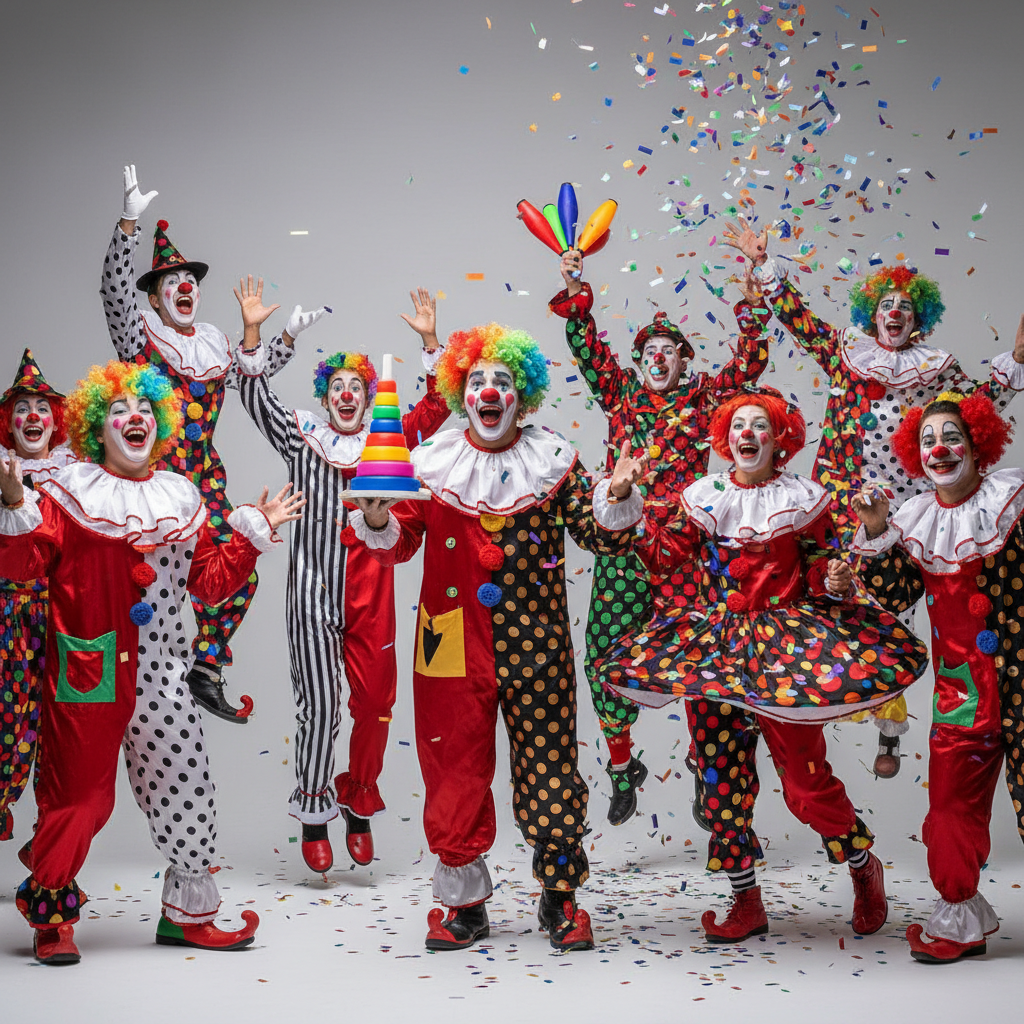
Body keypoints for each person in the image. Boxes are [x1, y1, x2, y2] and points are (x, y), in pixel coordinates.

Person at [595, 386, 929, 942]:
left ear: (779, 441)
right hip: (718, 653)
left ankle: (861, 865)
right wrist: (626, 499)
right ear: (726, 440)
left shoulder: (805, 499)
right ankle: (746, 901)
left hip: (786, 652)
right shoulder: (702, 497)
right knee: (720, 779)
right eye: (739, 426)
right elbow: (661, 555)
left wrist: (837, 579)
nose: (747, 434)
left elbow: (824, 569)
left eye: (760, 426)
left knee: (805, 783)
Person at [349, 323, 644, 952]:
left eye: (503, 381)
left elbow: (601, 537)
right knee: (453, 768)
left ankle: (560, 898)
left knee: (551, 769)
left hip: (537, 645)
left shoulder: (555, 461)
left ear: (523, 395)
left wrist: (615, 495)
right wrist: (377, 515)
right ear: (460, 392)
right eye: (476, 380)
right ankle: (464, 905)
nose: (489, 390)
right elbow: (399, 541)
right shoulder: (433, 463)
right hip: (448, 647)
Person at [0, 360, 303, 965]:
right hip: (90, 667)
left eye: (143, 409)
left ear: (159, 423)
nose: (133, 417)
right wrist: (13, 502)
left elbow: (210, 586)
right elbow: (21, 568)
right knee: (80, 799)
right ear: (96, 427)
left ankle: (188, 918)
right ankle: (52, 910)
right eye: (118, 410)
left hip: (163, 669)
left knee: (187, 790)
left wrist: (251, 536)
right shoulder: (64, 495)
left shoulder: (180, 496)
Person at [723, 217, 1024, 776]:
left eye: (906, 307)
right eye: (886, 304)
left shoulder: (937, 369)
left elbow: (976, 411)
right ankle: (796, 705)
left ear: (917, 320)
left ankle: (889, 726)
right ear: (873, 315)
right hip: (842, 501)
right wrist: (766, 265)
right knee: (823, 597)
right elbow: (801, 323)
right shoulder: (847, 352)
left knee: (894, 606)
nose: (894, 312)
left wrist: (1017, 366)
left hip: (905, 507)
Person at [549, 249, 770, 823]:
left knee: (701, 662)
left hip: (689, 556)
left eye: (667, 351)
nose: (656, 358)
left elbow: (747, 370)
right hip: (626, 546)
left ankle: (706, 768)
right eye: (647, 351)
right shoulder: (620, 393)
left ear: (683, 361)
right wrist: (575, 287)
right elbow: (585, 345)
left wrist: (752, 308)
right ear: (638, 359)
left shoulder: (703, 400)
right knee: (603, 659)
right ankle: (623, 768)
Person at [100, 164, 327, 722]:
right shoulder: (141, 338)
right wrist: (129, 224)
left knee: (239, 570)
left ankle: (205, 666)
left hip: (206, 481)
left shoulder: (213, 343)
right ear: (152, 299)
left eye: (191, 281)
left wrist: (286, 335)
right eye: (171, 282)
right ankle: (130, 679)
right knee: (153, 591)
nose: (184, 287)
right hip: (155, 482)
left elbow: (253, 370)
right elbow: (111, 293)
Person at [236, 286, 449, 872]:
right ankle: (313, 812)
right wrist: (266, 335)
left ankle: (358, 797)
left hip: (373, 593)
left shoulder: (390, 435)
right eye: (338, 387)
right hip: (310, 587)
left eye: (357, 386)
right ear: (325, 397)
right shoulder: (304, 436)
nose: (348, 394)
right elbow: (252, 394)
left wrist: (431, 341)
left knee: (377, 703)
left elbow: (438, 407)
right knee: (322, 704)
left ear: (369, 395)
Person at [850, 390, 1024, 963]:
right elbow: (896, 593)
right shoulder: (916, 521)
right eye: (927, 440)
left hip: (1021, 684)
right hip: (961, 695)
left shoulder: (1012, 505)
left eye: (952, 436)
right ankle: (959, 917)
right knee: (948, 811)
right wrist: (876, 532)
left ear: (978, 444)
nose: (940, 448)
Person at [0, 350, 75, 846]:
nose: (32, 416)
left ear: (57, 422)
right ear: (9, 422)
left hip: (73, 618)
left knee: (68, 734)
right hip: (9, 618)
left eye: (42, 407)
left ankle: (51, 849)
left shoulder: (79, 473)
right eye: (22, 408)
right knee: (7, 729)